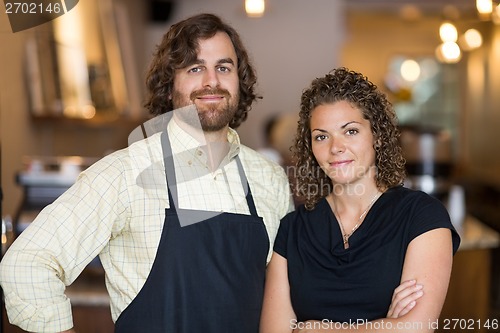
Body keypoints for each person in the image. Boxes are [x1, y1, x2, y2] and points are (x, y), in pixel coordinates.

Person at [0, 13, 295, 333]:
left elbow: (284, 295)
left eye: (223, 67)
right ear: (169, 86)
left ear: (240, 81)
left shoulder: (269, 179)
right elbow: (27, 264)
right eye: (195, 68)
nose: (211, 80)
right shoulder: (124, 173)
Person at [260, 67, 461, 333]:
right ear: (310, 148)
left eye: (351, 131)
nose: (335, 147)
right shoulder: (292, 229)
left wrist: (317, 330)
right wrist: (385, 326)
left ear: (376, 136)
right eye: (321, 136)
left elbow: (416, 328)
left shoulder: (422, 216)